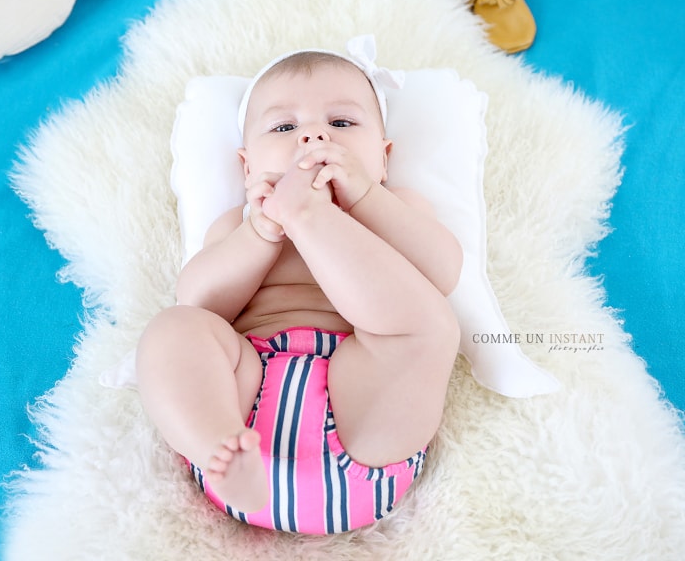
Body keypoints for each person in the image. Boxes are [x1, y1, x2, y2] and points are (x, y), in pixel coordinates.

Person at [136, 41, 463, 534]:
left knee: (429, 330)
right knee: (175, 329)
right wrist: (263, 230)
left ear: (384, 158)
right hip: (244, 414)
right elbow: (199, 300)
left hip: (368, 416)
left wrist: (366, 199)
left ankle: (309, 216)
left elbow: (440, 273)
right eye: (284, 127)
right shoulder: (241, 224)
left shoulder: (394, 207)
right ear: (248, 166)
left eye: (342, 124)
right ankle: (215, 445)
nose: (313, 136)